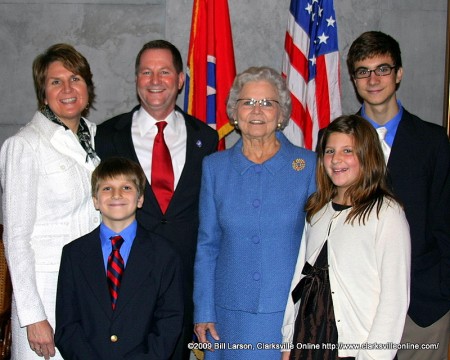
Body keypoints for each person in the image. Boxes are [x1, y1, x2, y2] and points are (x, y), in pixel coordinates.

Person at [95, 39, 218, 359]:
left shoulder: (206, 137)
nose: (154, 80)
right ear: (136, 80)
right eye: (146, 72)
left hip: (182, 285)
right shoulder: (108, 135)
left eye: (164, 72)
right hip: (122, 284)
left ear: (180, 80)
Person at [193, 66, 316, 359]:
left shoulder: (308, 165)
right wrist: (204, 309)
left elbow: (318, 245)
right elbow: (207, 245)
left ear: (282, 114)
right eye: (248, 102)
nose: (257, 110)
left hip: (288, 314)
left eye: (267, 102)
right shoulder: (214, 167)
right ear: (234, 113)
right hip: (227, 318)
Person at [346, 31, 450, 360]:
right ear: (353, 79)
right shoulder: (335, 140)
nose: (373, 79)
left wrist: (442, 291)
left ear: (399, 74)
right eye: (363, 71)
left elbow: (446, 222)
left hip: (421, 310)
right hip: (354, 308)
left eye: (383, 69)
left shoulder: (432, 141)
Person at [0, 43, 100, 360]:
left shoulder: (100, 139)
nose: (67, 89)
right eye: (56, 81)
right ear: (43, 93)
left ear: (88, 87)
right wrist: (32, 316)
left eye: (75, 78)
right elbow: (15, 237)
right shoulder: (24, 145)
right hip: (47, 296)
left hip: (93, 291)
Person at [282, 114, 411, 359]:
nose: (336, 159)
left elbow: (394, 300)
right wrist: (288, 342)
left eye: (347, 150)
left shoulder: (386, 213)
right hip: (308, 340)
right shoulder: (317, 210)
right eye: (329, 151)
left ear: (367, 155)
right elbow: (299, 279)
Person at [55, 156, 184, 359]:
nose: (116, 194)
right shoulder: (74, 254)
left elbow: (169, 322)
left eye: (126, 187)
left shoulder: (165, 255)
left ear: (140, 199)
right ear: (96, 200)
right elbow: (67, 326)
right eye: (107, 188)